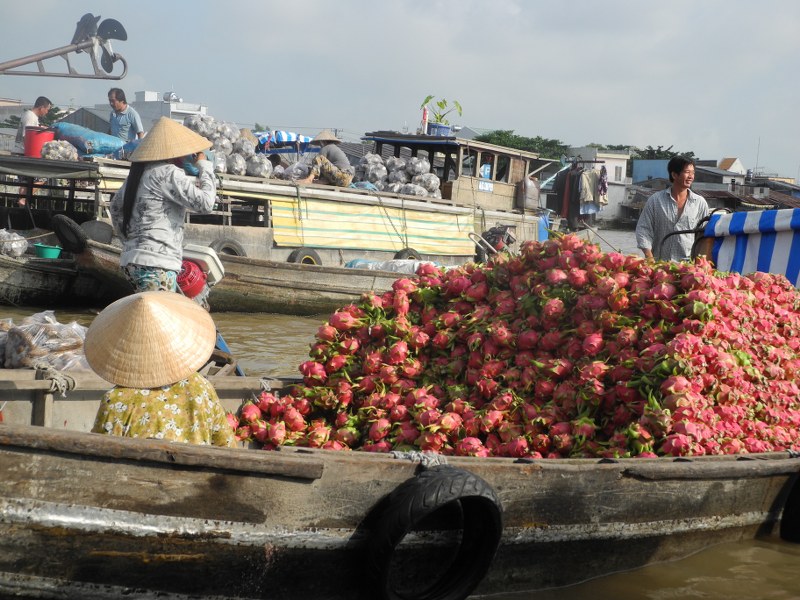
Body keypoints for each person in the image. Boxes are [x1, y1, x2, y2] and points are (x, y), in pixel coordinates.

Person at [86, 291, 236, 447]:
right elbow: (226, 445)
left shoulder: (115, 401)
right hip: (195, 469)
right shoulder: (201, 388)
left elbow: (100, 452)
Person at [110, 116, 216, 294]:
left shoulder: (136, 175)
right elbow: (206, 203)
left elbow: (114, 209)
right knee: (158, 319)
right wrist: (204, 166)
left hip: (132, 261)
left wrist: (130, 240)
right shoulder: (169, 173)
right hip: (156, 263)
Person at [635, 156, 709, 262]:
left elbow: (704, 236)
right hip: (660, 265)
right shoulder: (656, 200)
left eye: (693, 173)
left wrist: (700, 263)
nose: (691, 176)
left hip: (688, 267)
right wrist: (649, 257)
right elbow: (643, 229)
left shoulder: (699, 203)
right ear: (674, 174)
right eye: (687, 172)